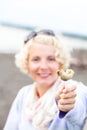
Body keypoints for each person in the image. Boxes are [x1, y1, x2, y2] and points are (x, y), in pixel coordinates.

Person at [4, 29, 87, 130]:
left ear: (60, 62)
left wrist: (69, 107)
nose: (43, 66)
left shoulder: (74, 89)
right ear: (27, 63)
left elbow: (79, 111)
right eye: (36, 59)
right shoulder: (23, 94)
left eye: (51, 59)